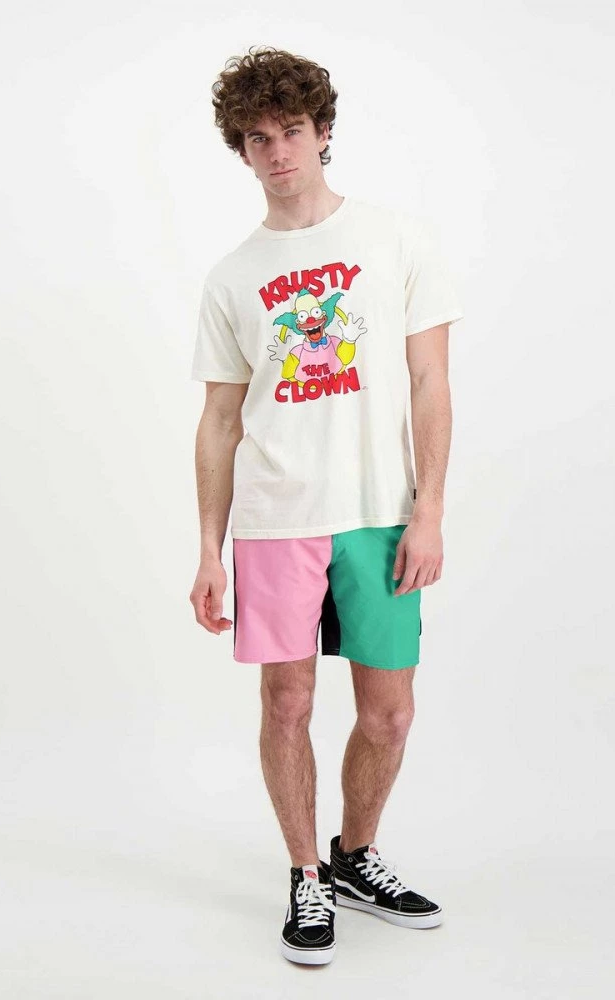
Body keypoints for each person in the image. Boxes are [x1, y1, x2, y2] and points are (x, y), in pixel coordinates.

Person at [188, 46, 463, 966]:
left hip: (380, 512)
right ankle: (306, 873)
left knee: (389, 711)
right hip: (277, 515)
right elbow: (219, 419)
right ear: (241, 150)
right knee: (287, 700)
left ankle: (356, 856)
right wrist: (208, 547)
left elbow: (430, 383)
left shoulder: (398, 240)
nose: (277, 152)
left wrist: (429, 511)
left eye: (292, 131)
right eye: (257, 138)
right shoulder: (233, 276)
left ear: (324, 131)